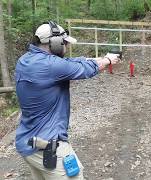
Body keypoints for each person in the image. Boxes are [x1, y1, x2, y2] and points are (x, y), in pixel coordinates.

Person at [14, 21, 120, 180]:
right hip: (49, 147)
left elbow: (69, 63)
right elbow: (87, 69)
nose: (67, 46)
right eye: (64, 43)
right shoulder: (52, 66)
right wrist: (108, 60)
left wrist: (101, 57)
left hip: (27, 144)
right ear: (54, 43)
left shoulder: (25, 60)